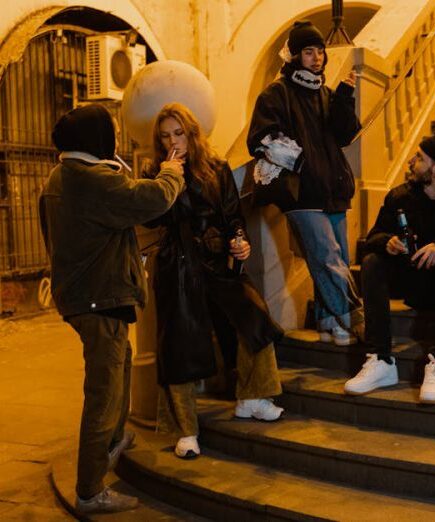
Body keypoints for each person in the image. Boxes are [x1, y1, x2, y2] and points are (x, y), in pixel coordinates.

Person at [39, 104, 185, 514]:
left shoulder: (60, 176)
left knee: (119, 370)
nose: (116, 139)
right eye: (111, 132)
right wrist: (171, 171)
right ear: (95, 139)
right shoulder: (94, 179)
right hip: (98, 298)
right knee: (103, 393)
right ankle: (89, 490)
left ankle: (114, 441)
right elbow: (153, 199)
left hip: (88, 295)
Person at [143, 102, 285, 460]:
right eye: (165, 136)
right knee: (181, 346)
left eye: (179, 133)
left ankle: (252, 397)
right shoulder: (155, 173)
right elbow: (154, 218)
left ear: (191, 132)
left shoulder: (217, 168)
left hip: (219, 260)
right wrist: (169, 175)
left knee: (256, 320)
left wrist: (240, 240)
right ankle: (186, 429)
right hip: (178, 266)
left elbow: (233, 215)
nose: (173, 141)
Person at [344, 127, 435, 404]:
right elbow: (372, 237)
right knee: (373, 260)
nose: (411, 160)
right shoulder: (400, 196)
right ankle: (381, 359)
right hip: (418, 284)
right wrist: (386, 241)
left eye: (420, 157)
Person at [247, 20, 364, 346]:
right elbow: (261, 139)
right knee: (327, 256)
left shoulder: (325, 94)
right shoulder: (276, 93)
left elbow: (344, 135)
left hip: (333, 190)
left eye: (320, 51)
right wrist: (303, 165)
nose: (317, 58)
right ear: (295, 56)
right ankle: (355, 317)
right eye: (308, 51)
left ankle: (330, 321)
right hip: (302, 193)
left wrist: (343, 97)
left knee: (335, 256)